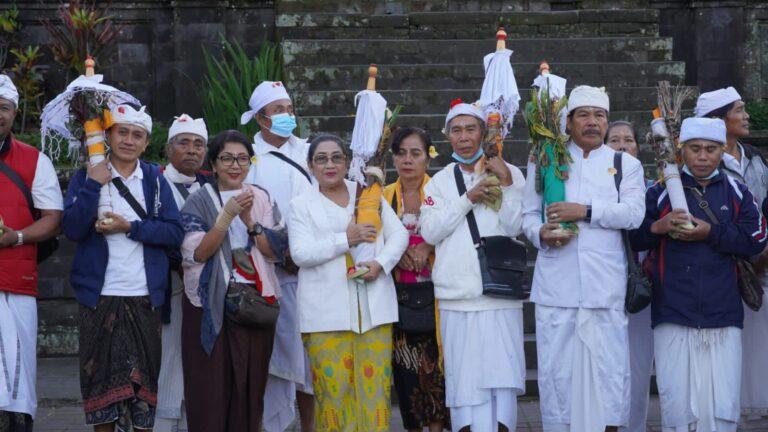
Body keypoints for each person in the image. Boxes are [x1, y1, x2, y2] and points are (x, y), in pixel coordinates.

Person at [630, 117, 766, 432]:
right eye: (695, 149)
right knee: (677, 402)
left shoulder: (737, 190)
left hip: (723, 312)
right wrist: (658, 227)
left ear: (722, 151)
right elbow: (634, 237)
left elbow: (757, 237)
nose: (702, 156)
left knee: (722, 404)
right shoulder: (661, 191)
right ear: (681, 151)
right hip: (673, 311)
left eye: (710, 149)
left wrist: (710, 232)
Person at [522, 86, 646, 432]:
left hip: (604, 290)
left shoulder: (626, 165)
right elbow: (528, 215)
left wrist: (586, 211)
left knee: (608, 376)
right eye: (584, 115)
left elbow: (634, 214)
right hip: (556, 290)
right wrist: (539, 233)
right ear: (569, 121)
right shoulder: (546, 158)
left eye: (600, 115)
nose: (593, 122)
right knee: (558, 376)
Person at [62, 104, 184, 431]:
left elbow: (174, 232)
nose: (129, 140)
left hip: (144, 298)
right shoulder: (86, 175)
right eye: (122, 132)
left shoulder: (155, 181)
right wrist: (92, 185)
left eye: (137, 135)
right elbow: (72, 229)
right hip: (98, 298)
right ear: (109, 136)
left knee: (143, 395)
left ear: (146, 143)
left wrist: (130, 227)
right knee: (101, 393)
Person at [287, 134, 408, 432]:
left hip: (374, 311)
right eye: (321, 159)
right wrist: (346, 239)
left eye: (336, 157)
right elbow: (301, 253)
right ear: (310, 165)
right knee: (333, 394)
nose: (329, 164)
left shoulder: (368, 194)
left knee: (375, 393)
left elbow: (399, 235)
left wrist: (381, 264)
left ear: (348, 162)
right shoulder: (301, 204)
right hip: (325, 317)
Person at [420, 100, 527, 432]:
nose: (464, 137)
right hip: (458, 297)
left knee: (502, 377)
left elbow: (514, 227)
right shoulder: (437, 182)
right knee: (464, 379)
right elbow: (431, 231)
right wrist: (469, 197)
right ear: (447, 136)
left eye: (470, 129)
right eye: (456, 130)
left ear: (484, 132)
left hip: (499, 294)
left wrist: (506, 184)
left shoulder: (510, 172)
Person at [180, 130, 284, 432]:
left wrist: (250, 220)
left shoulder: (261, 196)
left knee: (250, 387)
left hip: (254, 303)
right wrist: (226, 216)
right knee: (210, 388)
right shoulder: (199, 200)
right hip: (210, 305)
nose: (235, 165)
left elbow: (276, 251)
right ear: (213, 164)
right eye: (226, 158)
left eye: (242, 158)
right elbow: (198, 253)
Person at [241, 81, 315, 432]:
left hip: (315, 271)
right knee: (276, 363)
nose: (288, 115)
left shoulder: (312, 151)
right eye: (279, 110)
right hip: (273, 272)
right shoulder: (250, 159)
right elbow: (249, 219)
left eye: (289, 108)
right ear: (260, 119)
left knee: (311, 367)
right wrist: (279, 252)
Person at [695, 87, 768, 424]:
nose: (747, 115)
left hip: (760, 256)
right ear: (719, 119)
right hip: (722, 257)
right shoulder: (704, 161)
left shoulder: (754, 157)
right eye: (739, 110)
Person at [0, 74, 62, 431]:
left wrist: (17, 237)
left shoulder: (35, 160)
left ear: (14, 113)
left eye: (4, 107)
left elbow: (53, 220)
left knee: (17, 377)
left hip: (15, 284)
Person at [383, 127, 449, 432]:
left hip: (436, 298)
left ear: (428, 157)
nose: (407, 160)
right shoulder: (383, 196)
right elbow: (372, 242)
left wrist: (429, 244)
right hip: (398, 299)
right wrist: (395, 254)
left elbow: (455, 231)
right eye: (401, 153)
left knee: (434, 375)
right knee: (406, 375)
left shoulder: (442, 191)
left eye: (416, 153)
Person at [155, 114, 209, 432]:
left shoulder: (210, 186)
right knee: (170, 356)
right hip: (170, 288)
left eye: (198, 144)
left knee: (197, 359)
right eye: (184, 142)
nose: (192, 150)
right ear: (168, 148)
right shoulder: (155, 183)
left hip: (206, 291)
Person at [606, 121, 654, 432]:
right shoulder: (592, 185)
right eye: (615, 140)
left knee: (637, 366)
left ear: (638, 147)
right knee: (607, 366)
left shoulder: (656, 189)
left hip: (641, 289)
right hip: (605, 285)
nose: (622, 146)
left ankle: (635, 426)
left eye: (628, 140)